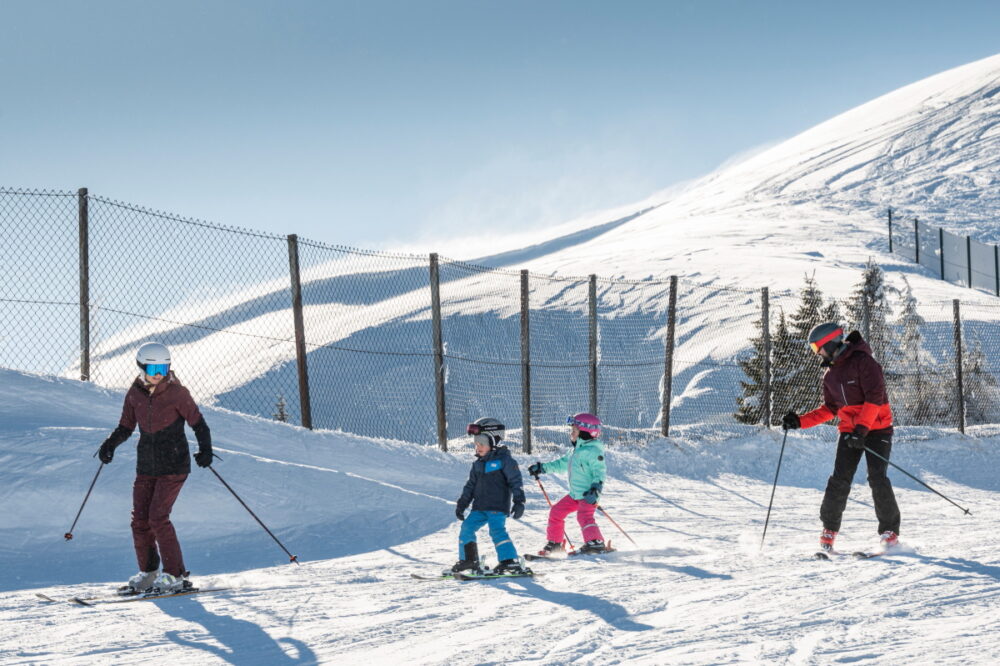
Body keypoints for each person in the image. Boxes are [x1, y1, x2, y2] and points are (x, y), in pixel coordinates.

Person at [97, 341, 213, 595]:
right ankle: (149, 572)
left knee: (158, 518)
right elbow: (126, 427)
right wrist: (110, 444)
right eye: (153, 368)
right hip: (146, 466)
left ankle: (175, 575)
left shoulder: (177, 393)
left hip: (173, 465)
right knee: (139, 521)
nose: (159, 373)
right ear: (142, 368)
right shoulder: (135, 393)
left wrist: (206, 450)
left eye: (163, 367)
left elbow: (199, 424)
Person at [782, 322, 900, 553]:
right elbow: (830, 409)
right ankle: (829, 529)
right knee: (839, 479)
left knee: (877, 478)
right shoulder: (830, 374)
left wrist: (862, 430)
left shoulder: (865, 363)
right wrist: (799, 421)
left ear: (831, 342)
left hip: (877, 428)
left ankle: (890, 532)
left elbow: (875, 398)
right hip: (850, 431)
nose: (817, 353)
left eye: (818, 347)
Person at [451, 417, 530, 576]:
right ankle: (469, 560)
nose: (477, 447)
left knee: (497, 531)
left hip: (496, 507)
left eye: (482, 443)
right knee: (466, 528)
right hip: (479, 507)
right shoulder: (477, 464)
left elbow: (516, 481)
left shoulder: (505, 460)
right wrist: (462, 503)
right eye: (476, 443)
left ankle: (509, 561)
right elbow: (470, 486)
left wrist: (519, 501)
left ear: (494, 441)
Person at [528, 412, 608, 555]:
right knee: (556, 512)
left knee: (584, 516)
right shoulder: (574, 451)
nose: (571, 433)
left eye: (574, 431)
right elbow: (561, 464)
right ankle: (555, 543)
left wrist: (596, 489)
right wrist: (542, 468)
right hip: (575, 494)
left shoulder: (593, 451)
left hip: (589, 494)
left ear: (585, 433)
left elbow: (599, 472)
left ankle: (595, 542)